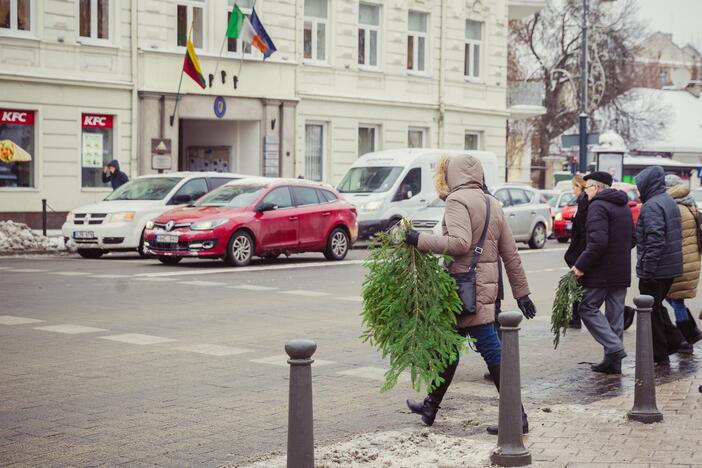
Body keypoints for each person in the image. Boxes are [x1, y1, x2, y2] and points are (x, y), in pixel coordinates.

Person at [403, 153, 536, 434]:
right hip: (482, 289)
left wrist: (418, 239)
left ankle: (517, 417)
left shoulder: (457, 200)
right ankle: (430, 406)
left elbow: (460, 244)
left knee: (491, 350)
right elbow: (510, 253)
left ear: (452, 175)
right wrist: (522, 293)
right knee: (449, 350)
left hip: (465, 290)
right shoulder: (492, 203)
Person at [571, 171, 633, 374]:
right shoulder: (623, 205)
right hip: (621, 270)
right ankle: (613, 363)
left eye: (588, 188)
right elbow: (632, 239)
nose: (586, 192)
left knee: (587, 308)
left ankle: (614, 348)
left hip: (601, 271)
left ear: (596, 188)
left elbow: (597, 242)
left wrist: (580, 266)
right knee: (615, 317)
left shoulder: (597, 205)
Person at [635, 166, 692, 365]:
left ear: (647, 184)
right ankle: (676, 340)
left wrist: (648, 268)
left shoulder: (652, 205)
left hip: (656, 269)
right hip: (669, 267)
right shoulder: (668, 201)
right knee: (656, 308)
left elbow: (655, 238)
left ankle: (658, 353)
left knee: (650, 312)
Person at [664, 175, 702, 347]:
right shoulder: (690, 204)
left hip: (681, 260)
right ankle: (690, 333)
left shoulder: (677, 208)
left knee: (674, 299)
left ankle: (688, 336)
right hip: (689, 259)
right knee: (672, 298)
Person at [563, 174, 588, 329]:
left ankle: (576, 317)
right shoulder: (582, 202)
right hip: (580, 251)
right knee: (580, 286)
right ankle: (574, 317)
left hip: (582, 252)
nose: (573, 191)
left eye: (574, 187)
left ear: (580, 186)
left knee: (584, 287)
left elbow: (583, 231)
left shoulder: (585, 203)